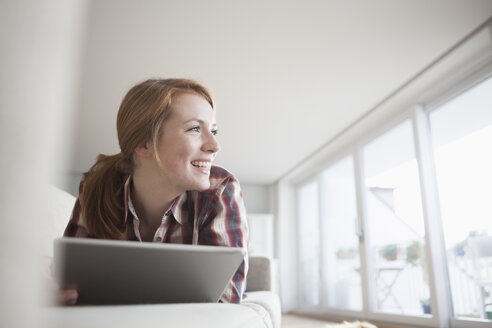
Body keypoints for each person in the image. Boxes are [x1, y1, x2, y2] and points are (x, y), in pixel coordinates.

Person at [61, 78, 248, 305]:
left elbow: (223, 305)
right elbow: (72, 293)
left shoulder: (220, 190)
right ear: (144, 143)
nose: (215, 146)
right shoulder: (96, 186)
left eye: (214, 131)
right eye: (195, 129)